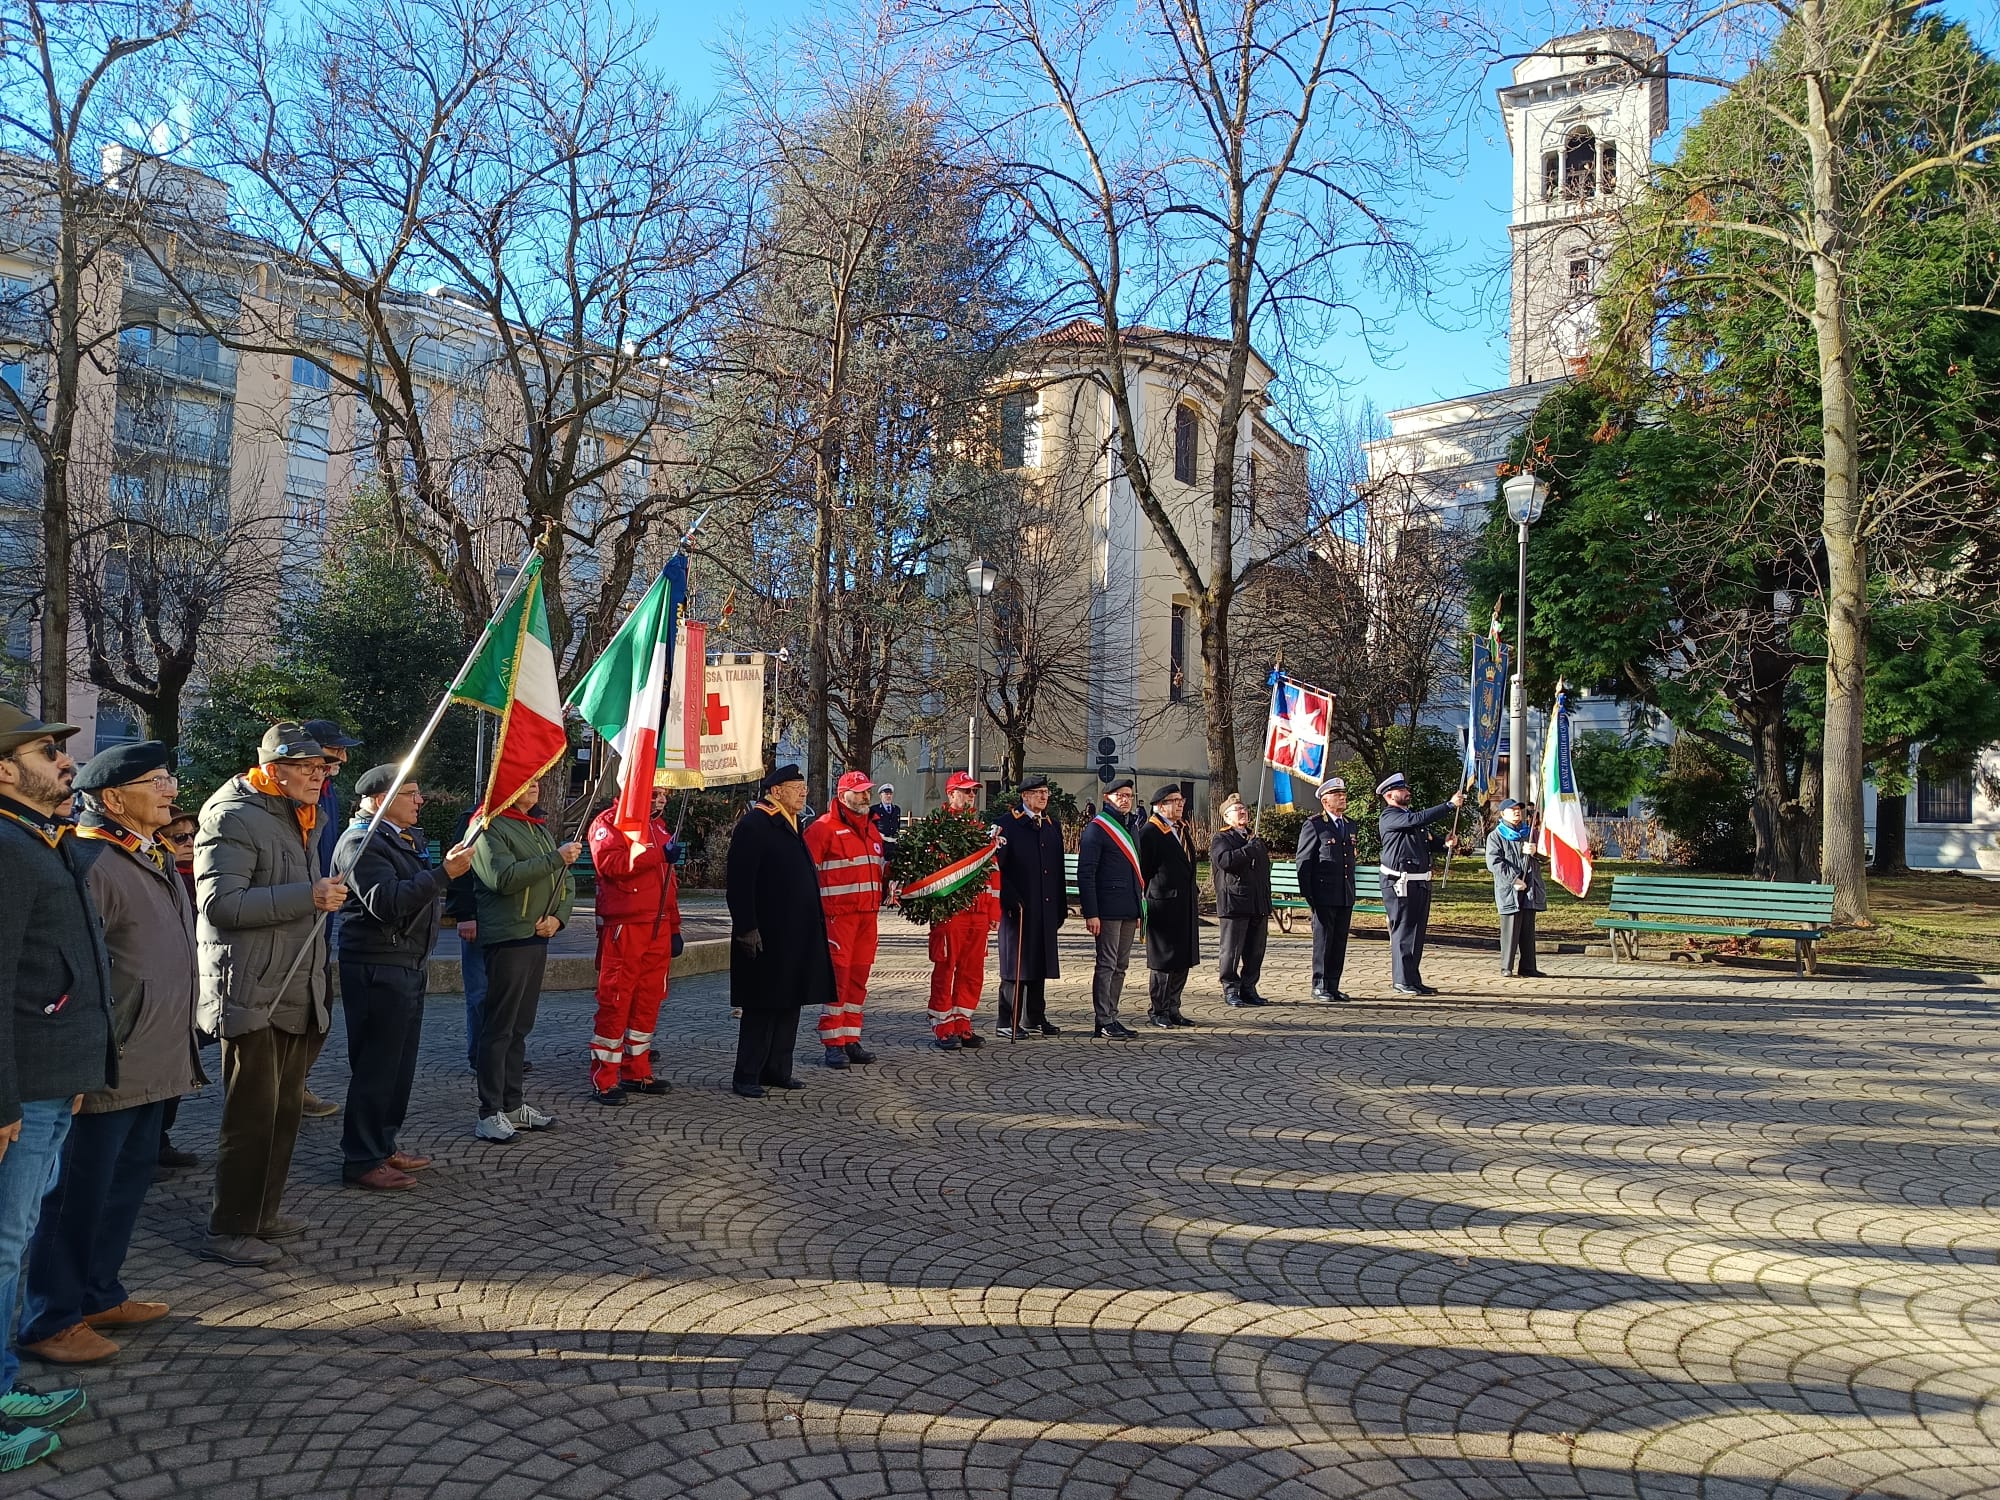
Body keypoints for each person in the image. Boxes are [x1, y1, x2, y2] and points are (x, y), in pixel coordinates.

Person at [20, 742, 200, 1366]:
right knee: (76, 1195)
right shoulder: (94, 859)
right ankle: (52, 1317)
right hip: (107, 1062)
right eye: (157, 781)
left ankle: (99, 1292)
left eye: (170, 777)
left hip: (153, 1058)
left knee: (123, 1188)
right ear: (116, 798)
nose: (171, 790)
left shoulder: (146, 852)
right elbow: (64, 968)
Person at [0, 703, 111, 1473]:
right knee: (1, 1251)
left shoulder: (37, 837)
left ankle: (2, 1383)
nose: (65, 762)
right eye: (46, 751)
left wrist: (71, 1076)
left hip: (48, 1081)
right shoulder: (6, 846)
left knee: (11, 1247)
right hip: (18, 1092)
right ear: (5, 768)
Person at [196, 722, 344, 1267]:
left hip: (297, 988)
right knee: (251, 1116)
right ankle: (229, 1226)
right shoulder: (233, 815)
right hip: (251, 989)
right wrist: (307, 894)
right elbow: (222, 907)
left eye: (322, 767)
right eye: (307, 768)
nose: (320, 776)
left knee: (284, 1112)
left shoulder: (303, 817)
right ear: (274, 769)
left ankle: (262, 1215)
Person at [335, 767, 475, 1188]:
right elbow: (386, 902)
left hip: (406, 962)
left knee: (398, 1067)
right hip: (378, 965)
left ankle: (383, 1144)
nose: (420, 800)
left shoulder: (398, 838)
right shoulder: (360, 842)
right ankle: (361, 1159)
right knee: (377, 1067)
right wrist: (443, 875)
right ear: (379, 799)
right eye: (411, 793)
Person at [470, 784, 577, 1142]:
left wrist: (558, 918)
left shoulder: (538, 828)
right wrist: (554, 859)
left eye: (537, 781)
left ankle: (513, 1104)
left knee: (520, 1026)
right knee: (499, 1027)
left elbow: (567, 883)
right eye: (527, 780)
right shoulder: (488, 827)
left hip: (536, 937)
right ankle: (489, 1111)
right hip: (508, 937)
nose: (535, 786)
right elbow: (501, 879)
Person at [726, 765, 834, 1097]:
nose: (803, 792)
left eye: (803, 786)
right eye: (796, 786)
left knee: (790, 1001)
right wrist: (746, 927)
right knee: (762, 1004)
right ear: (776, 791)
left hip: (794, 933)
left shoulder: (790, 824)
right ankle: (747, 1074)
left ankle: (778, 1069)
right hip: (767, 933)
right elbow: (739, 883)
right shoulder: (755, 825)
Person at [585, 783, 683, 1104]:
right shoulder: (609, 823)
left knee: (649, 998)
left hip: (657, 925)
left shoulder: (658, 827)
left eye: (664, 793)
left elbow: (669, 883)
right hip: (625, 925)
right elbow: (609, 865)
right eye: (655, 792)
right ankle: (605, 1076)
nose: (662, 798)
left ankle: (636, 1069)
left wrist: (675, 927)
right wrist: (657, 853)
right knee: (617, 997)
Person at [299, 718, 361, 1122]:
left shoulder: (328, 791)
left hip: (326, 912)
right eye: (333, 751)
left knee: (318, 1006)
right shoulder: (299, 794)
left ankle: (295, 1082)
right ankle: (280, 1089)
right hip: (297, 908)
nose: (341, 757)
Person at [805, 770, 887, 1069]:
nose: (866, 796)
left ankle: (851, 1038)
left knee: (858, 980)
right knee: (837, 982)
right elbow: (805, 875)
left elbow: (878, 870)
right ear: (843, 796)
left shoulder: (872, 829)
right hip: (837, 919)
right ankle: (833, 1042)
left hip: (868, 917)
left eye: (868, 791)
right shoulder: (822, 829)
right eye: (860, 792)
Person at [923, 772, 996, 1051]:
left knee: (972, 970)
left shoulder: (979, 830)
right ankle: (942, 1024)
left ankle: (962, 1022)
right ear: (951, 793)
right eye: (966, 792)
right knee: (946, 967)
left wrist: (993, 912)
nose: (971, 796)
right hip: (950, 911)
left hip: (977, 913)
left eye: (973, 792)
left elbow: (993, 874)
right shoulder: (937, 829)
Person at [1376, 771, 1465, 996]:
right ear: (1389, 795)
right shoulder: (1391, 816)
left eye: (1406, 789)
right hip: (1399, 883)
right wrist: (1448, 805)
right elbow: (1415, 820)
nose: (1407, 792)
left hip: (1420, 882)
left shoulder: (1410, 817)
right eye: (1402, 790)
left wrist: (1444, 844)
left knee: (1416, 934)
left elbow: (1427, 842)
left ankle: (1413, 979)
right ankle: (1401, 980)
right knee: (1403, 932)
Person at [994, 774, 1066, 1038]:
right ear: (1024, 796)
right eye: (1038, 793)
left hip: (1045, 905)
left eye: (1046, 792)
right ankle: (1007, 1020)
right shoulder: (1007, 825)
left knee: (1040, 962)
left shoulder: (1051, 825)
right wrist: (1009, 897)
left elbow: (1056, 868)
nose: (1043, 797)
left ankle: (1034, 1016)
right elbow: (997, 868)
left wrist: (1060, 903)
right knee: (1016, 965)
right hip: (1018, 907)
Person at [1076, 778, 1143, 1039]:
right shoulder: (1098, 829)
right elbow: (1086, 873)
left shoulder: (1132, 826)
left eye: (1128, 795)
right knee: (1107, 963)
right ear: (1107, 798)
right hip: (1107, 908)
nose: (1125, 799)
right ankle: (1102, 1018)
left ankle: (1112, 1015)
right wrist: (1091, 912)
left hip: (1128, 907)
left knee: (1121, 965)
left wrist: (1139, 908)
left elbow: (1136, 869)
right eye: (1119, 796)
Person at [156, 805, 201, 1170]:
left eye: (192, 835)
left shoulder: (202, 873)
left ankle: (161, 1141)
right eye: (179, 837)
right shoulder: (161, 874)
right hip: (163, 989)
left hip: (192, 985)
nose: (189, 842)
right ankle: (149, 1148)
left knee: (177, 1071)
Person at [1138, 785, 1199, 1029]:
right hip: (1162, 905)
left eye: (1181, 799)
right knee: (1164, 961)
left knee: (1183, 958)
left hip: (1184, 904)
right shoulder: (1150, 832)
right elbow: (1145, 871)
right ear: (1160, 805)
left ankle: (1174, 1007)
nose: (1180, 804)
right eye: (1174, 801)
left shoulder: (1181, 829)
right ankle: (1158, 1009)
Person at [1294, 777, 1359, 1001]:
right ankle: (1319, 984)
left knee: (1339, 941)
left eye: (1343, 793)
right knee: (1323, 941)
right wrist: (1309, 895)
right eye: (1337, 794)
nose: (1343, 797)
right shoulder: (1314, 825)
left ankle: (1333, 984)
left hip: (1344, 893)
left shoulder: (1349, 824)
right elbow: (1304, 862)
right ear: (1325, 800)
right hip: (1323, 894)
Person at [1209, 794, 1272, 1008]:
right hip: (1235, 903)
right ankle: (1230, 988)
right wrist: (1248, 850)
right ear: (1227, 817)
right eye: (1237, 809)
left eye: (1244, 808)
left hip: (1257, 903)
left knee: (1255, 950)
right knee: (1232, 950)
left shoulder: (1254, 837)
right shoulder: (1222, 838)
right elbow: (1225, 861)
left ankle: (1249, 987)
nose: (1243, 812)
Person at [444, 805, 486, 1073]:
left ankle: (502, 1052)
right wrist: (464, 914)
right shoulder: (475, 817)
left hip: (513, 923)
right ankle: (480, 1054)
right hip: (478, 916)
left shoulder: (533, 818)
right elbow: (459, 868)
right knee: (480, 992)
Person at [1485, 798, 1547, 978]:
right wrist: (1514, 879)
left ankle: (1528, 966)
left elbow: (1547, 857)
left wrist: (1536, 851)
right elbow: (1494, 863)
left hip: (1531, 887)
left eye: (1519, 809)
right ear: (1503, 814)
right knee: (1510, 928)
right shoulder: (1496, 836)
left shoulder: (1530, 834)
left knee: (1528, 929)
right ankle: (1507, 966)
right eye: (1512, 810)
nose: (1517, 812)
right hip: (1510, 889)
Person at [869, 782, 902, 895]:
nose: (888, 796)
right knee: (880, 871)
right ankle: (881, 894)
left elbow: (896, 826)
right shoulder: (874, 810)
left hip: (893, 844)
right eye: (886, 794)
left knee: (893, 870)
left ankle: (891, 894)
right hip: (881, 843)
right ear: (880, 795)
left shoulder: (896, 809)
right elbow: (871, 826)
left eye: (890, 794)